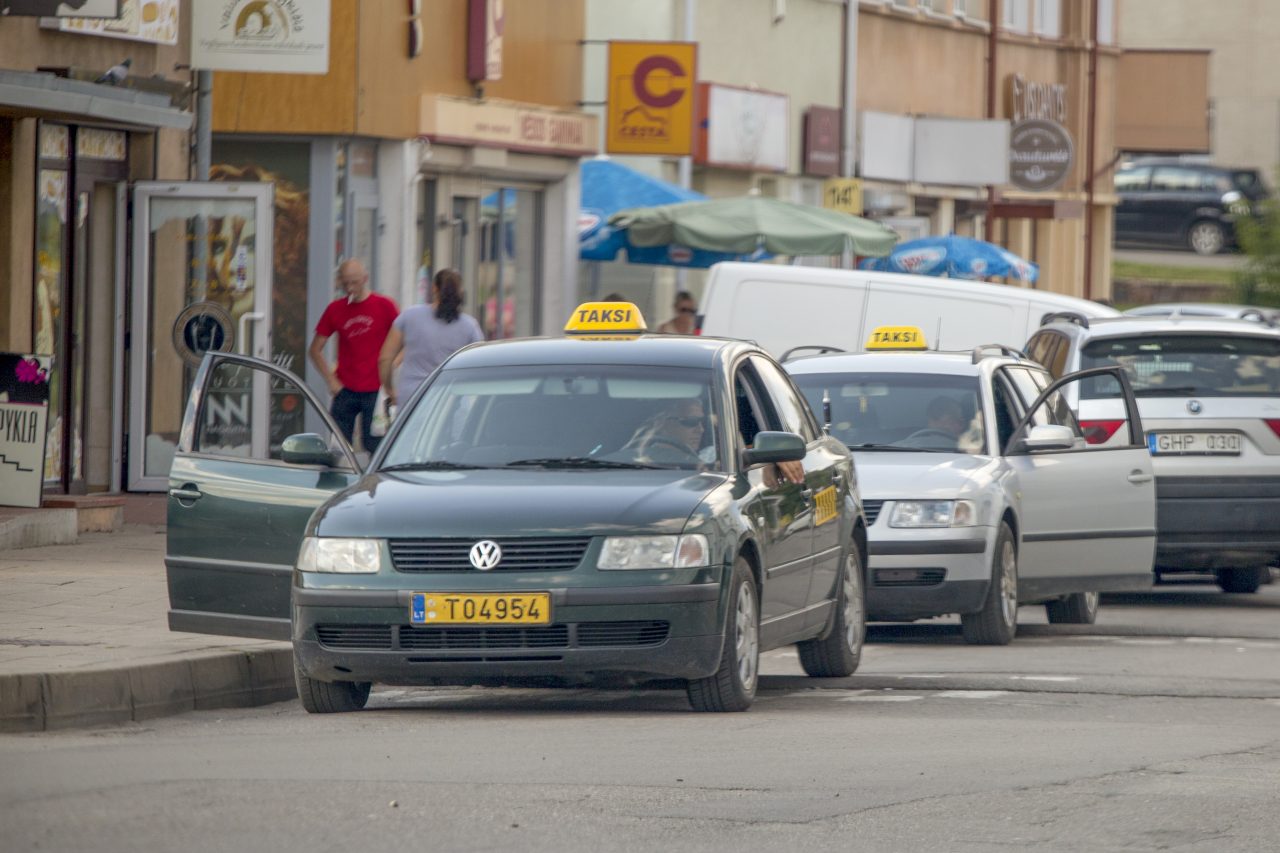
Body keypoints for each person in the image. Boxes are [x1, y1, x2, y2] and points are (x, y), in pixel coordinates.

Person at [309, 259, 398, 452]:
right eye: (345, 283)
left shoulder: (384, 306)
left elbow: (405, 342)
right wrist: (331, 381)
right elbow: (314, 350)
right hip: (345, 388)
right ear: (339, 281)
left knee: (375, 446)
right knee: (338, 446)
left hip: (376, 390)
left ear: (365, 279)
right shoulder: (335, 309)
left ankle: (374, 473)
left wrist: (390, 366)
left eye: (354, 282)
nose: (350, 288)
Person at [379, 268, 483, 407]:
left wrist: (389, 389)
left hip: (411, 400)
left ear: (434, 288)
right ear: (460, 291)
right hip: (452, 403)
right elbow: (480, 367)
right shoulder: (469, 326)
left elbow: (385, 359)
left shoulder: (410, 316)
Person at [625, 398, 710, 466]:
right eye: (691, 421)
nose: (701, 429)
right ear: (662, 423)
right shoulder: (638, 461)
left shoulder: (709, 459)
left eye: (702, 421)